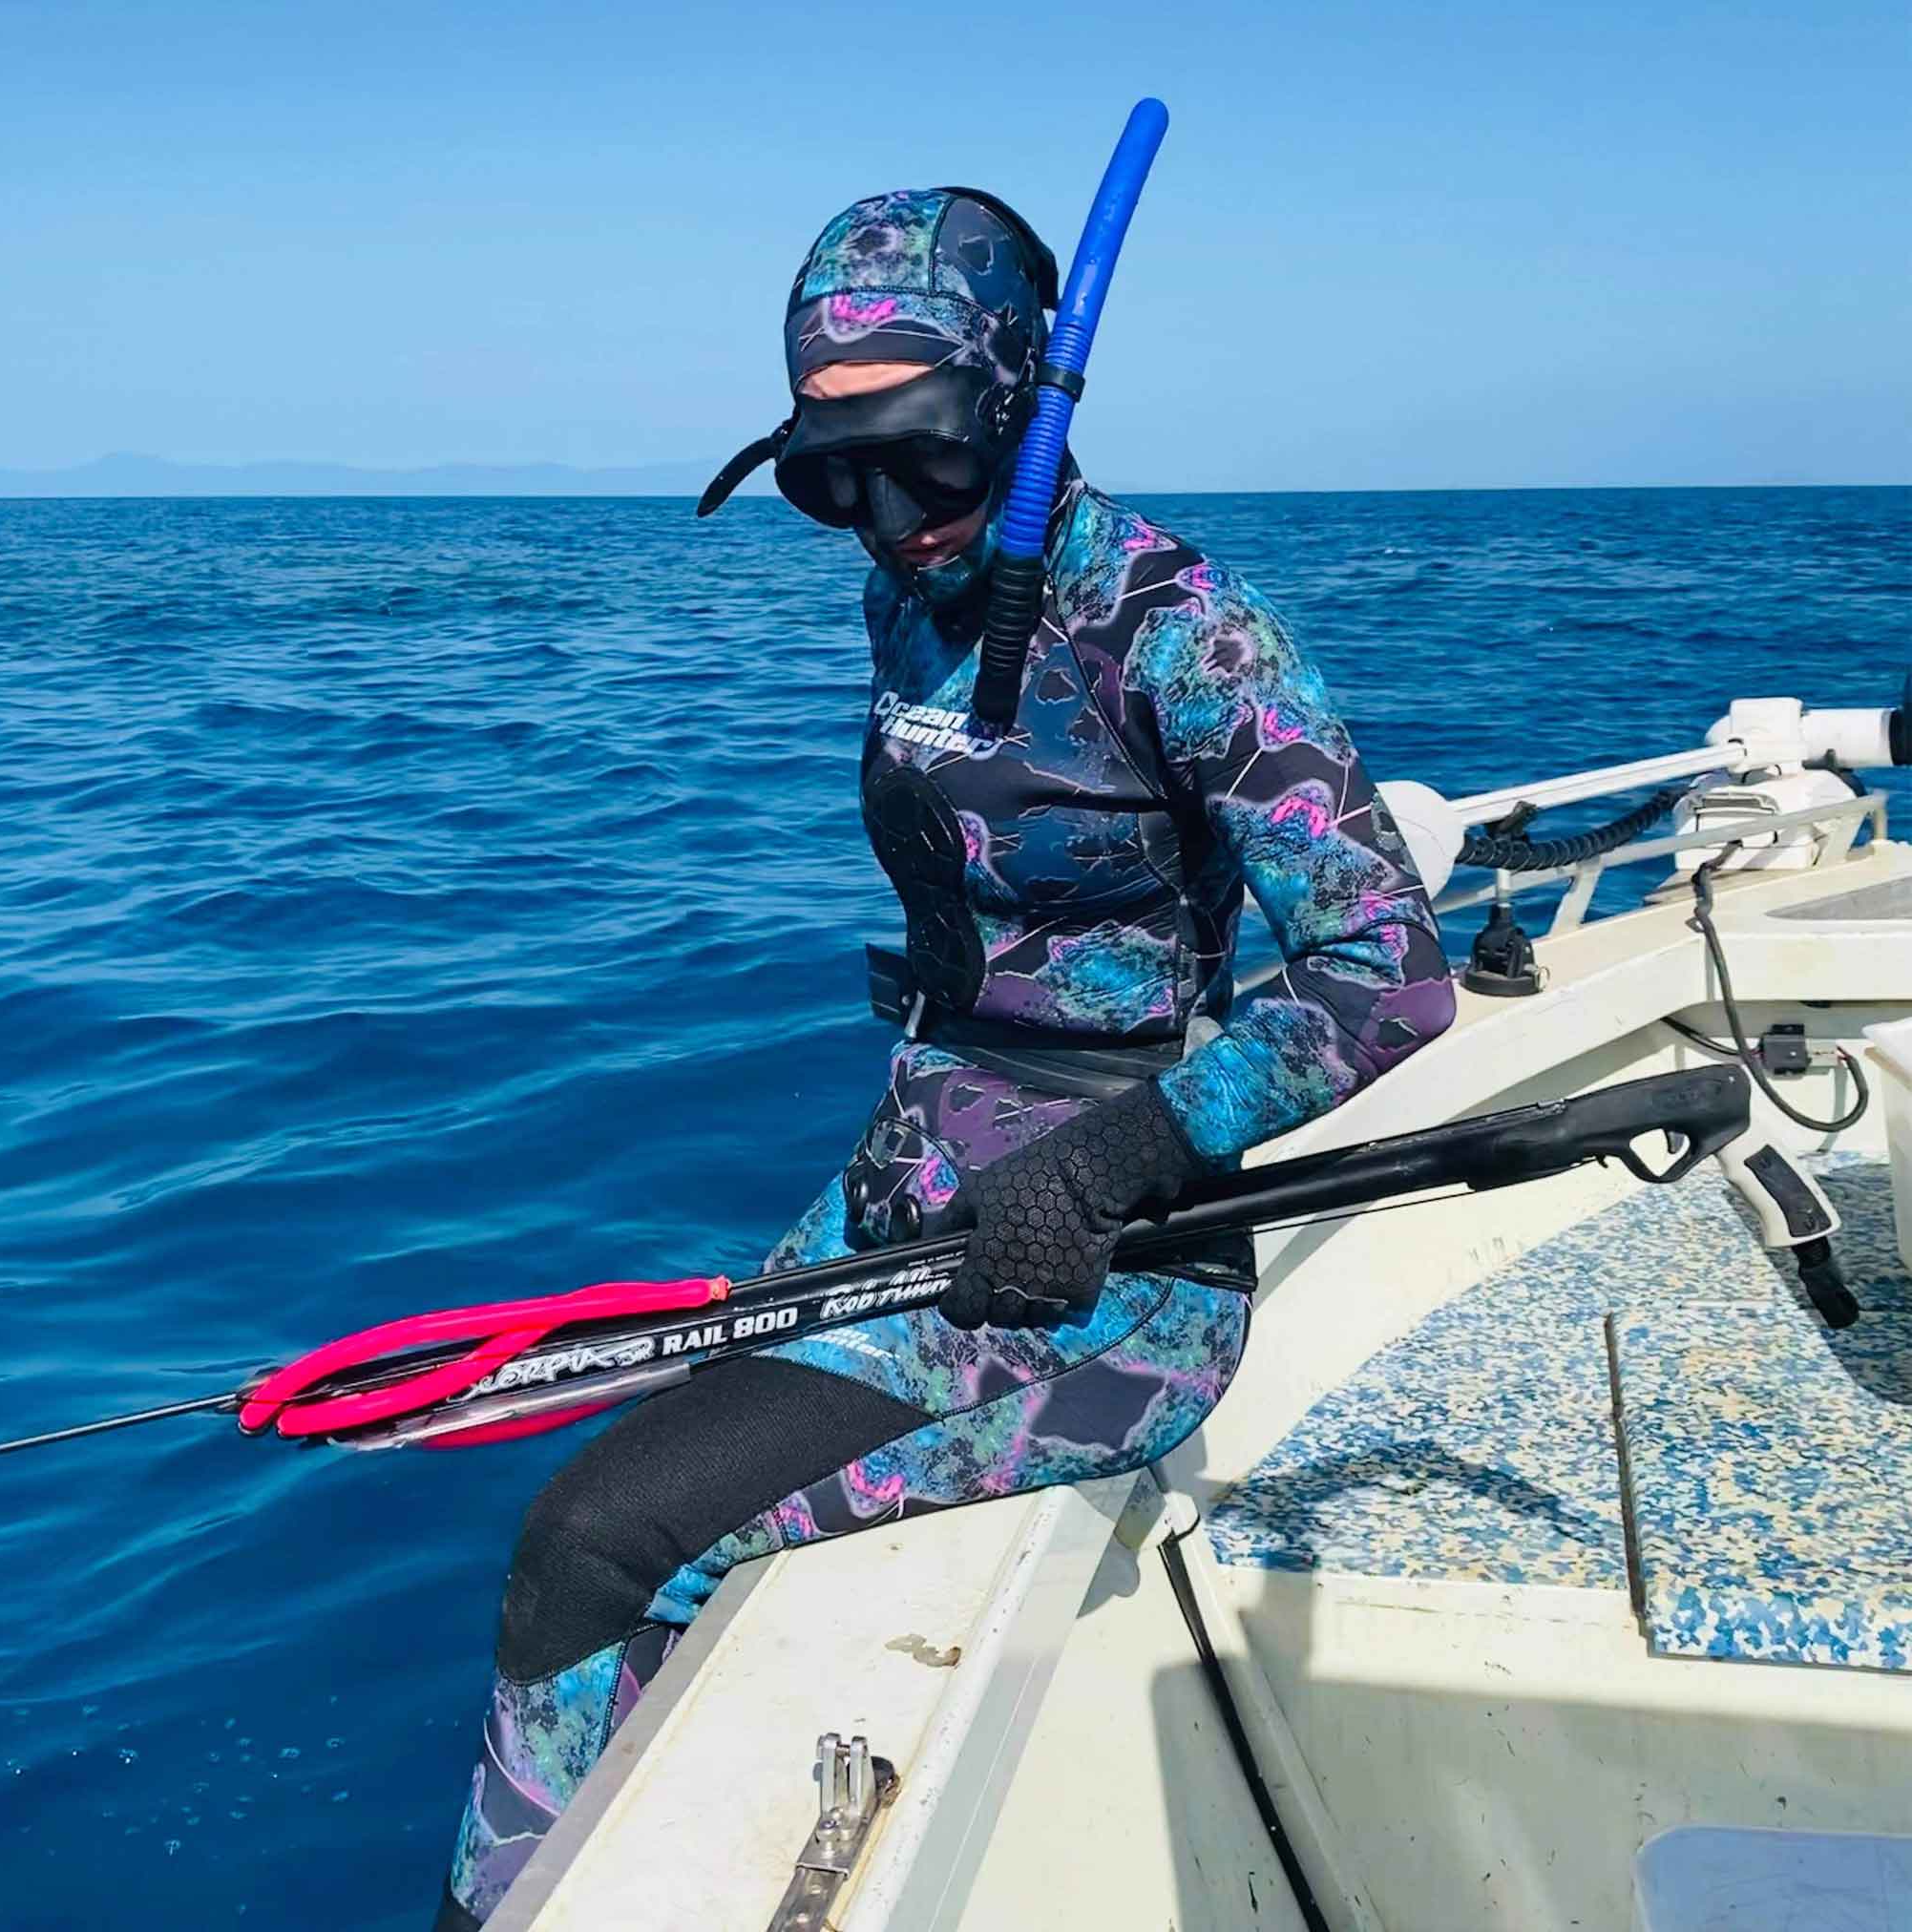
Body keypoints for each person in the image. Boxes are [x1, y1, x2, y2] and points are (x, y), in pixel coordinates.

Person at [435, 186, 1455, 1928]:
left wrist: (1130, 1151)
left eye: (920, 462)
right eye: (832, 481)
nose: (887, 522)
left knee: (588, 1551)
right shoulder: (915, 602)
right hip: (909, 1199)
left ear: (1017, 406)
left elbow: (1386, 973)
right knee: (654, 1470)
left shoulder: (1184, 630)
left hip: (1100, 1268)